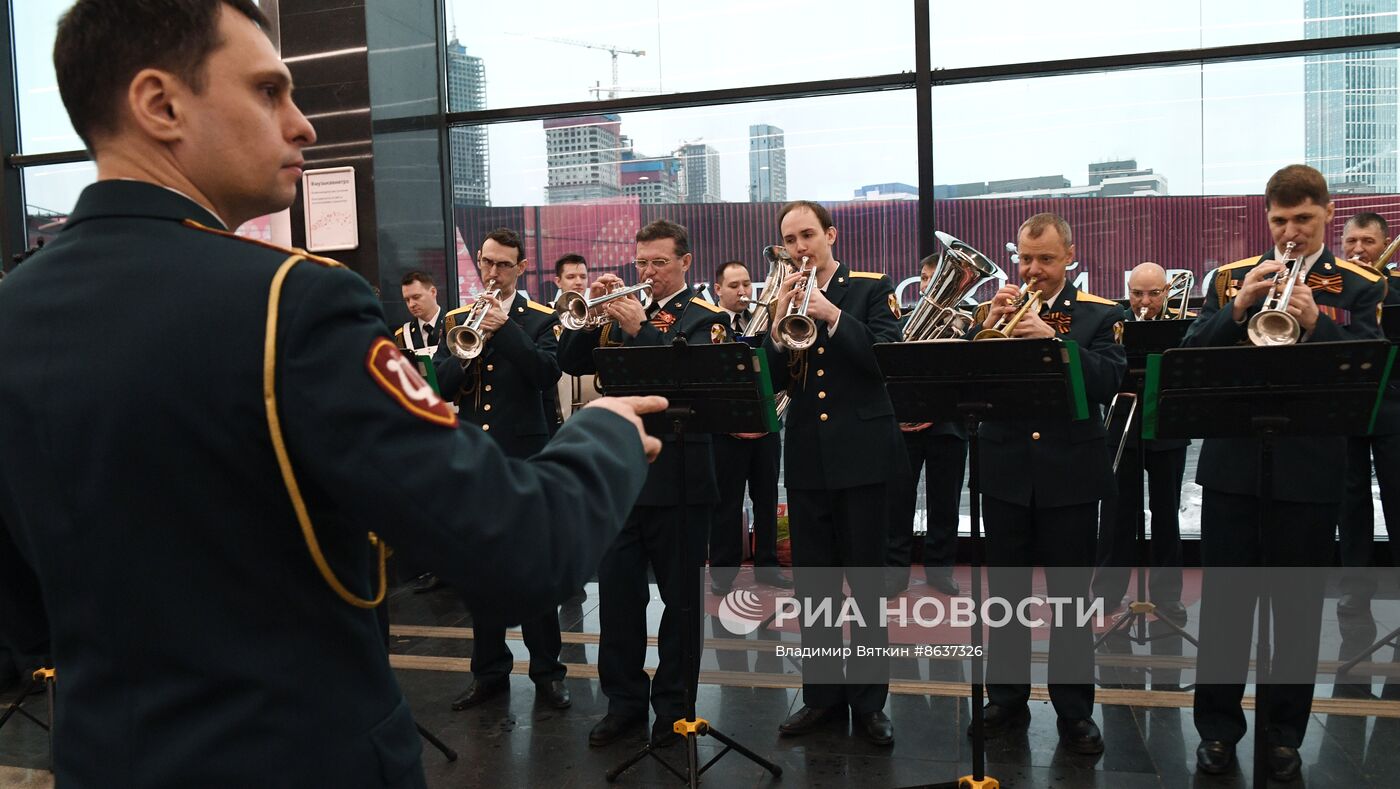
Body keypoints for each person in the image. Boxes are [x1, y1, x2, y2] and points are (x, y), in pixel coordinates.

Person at [0, 3, 664, 786]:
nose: (303, 124)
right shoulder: (294, 301)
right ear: (160, 105)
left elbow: (22, 619)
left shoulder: (14, 315)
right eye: (269, 90)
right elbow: (523, 546)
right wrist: (604, 433)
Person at [1184, 164, 1386, 782]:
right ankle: (1217, 730)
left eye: (1303, 218)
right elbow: (1190, 359)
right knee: (1224, 610)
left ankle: (1284, 732)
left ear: (1328, 212)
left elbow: (1378, 374)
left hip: (1309, 470)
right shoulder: (1229, 278)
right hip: (1233, 468)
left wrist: (1319, 326)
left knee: (1296, 613)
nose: (1291, 232)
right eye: (1279, 220)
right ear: (1266, 219)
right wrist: (1239, 307)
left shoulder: (1360, 284)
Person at [557, 219, 729, 749]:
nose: (648, 273)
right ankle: (623, 703)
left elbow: (694, 383)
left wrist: (642, 330)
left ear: (686, 262)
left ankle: (674, 708)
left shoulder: (708, 317)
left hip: (680, 476)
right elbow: (566, 361)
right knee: (618, 599)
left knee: (680, 604)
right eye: (642, 264)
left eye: (659, 263)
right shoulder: (615, 315)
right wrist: (590, 314)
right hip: (620, 474)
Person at [967, 212, 1125, 755]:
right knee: (1005, 596)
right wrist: (985, 329)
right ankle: (1006, 697)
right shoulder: (995, 313)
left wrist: (1055, 344)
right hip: (1006, 470)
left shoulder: (1100, 315)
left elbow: (1110, 379)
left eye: (1046, 259)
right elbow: (966, 381)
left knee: (1070, 601)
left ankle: (1075, 710)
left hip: (1070, 475)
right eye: (1025, 259)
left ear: (1070, 255)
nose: (1034, 271)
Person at [762, 200, 903, 746]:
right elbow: (772, 380)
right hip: (806, 456)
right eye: (790, 239)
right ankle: (821, 698)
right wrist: (776, 326)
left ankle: (869, 703)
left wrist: (832, 316)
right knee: (814, 586)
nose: (798, 248)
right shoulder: (780, 293)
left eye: (807, 236)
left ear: (831, 235)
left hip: (863, 455)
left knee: (866, 587)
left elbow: (887, 358)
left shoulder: (869, 288)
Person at [432, 228, 572, 712]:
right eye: (487, 263)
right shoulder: (453, 318)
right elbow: (442, 387)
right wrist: (469, 348)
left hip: (527, 459)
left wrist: (503, 328)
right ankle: (488, 672)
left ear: (521, 266)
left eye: (502, 265)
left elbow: (546, 374)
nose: (492, 273)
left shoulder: (538, 319)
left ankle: (548, 672)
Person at [1092, 262, 1188, 621]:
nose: (1143, 301)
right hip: (1122, 426)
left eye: (1153, 293)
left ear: (1166, 292)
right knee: (1115, 515)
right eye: (1136, 293)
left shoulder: (1183, 324)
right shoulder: (1114, 322)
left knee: (1167, 514)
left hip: (1167, 427)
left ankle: (1167, 596)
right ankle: (1107, 592)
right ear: (1128, 291)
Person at [886, 252, 965, 598]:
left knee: (945, 502)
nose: (928, 283)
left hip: (948, 424)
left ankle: (940, 570)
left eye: (936, 277)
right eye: (923, 277)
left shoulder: (965, 321)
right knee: (897, 501)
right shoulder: (899, 320)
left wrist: (962, 333)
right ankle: (894, 571)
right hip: (904, 424)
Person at [708, 260, 790, 593]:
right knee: (726, 501)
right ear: (717, 289)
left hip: (765, 425)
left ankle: (767, 563)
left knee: (767, 497)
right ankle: (724, 571)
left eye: (747, 285)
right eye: (733, 286)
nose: (743, 292)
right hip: (725, 429)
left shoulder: (766, 322)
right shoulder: (708, 323)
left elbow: (779, 370)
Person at [1337, 212, 1400, 616]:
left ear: (1385, 245)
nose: (1358, 250)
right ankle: (1355, 587)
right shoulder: (1328, 289)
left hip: (1394, 404)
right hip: (1344, 406)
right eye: (1351, 242)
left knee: (1398, 497)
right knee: (1349, 498)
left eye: (1368, 242)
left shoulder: (1394, 290)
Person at [550, 253, 600, 428]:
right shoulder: (546, 316)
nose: (578, 282)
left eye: (583, 277)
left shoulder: (597, 312)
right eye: (571, 277)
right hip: (559, 404)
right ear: (558, 281)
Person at [395, 270, 442, 353]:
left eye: (416, 297)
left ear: (433, 292)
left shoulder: (456, 326)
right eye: (407, 300)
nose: (411, 304)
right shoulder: (402, 336)